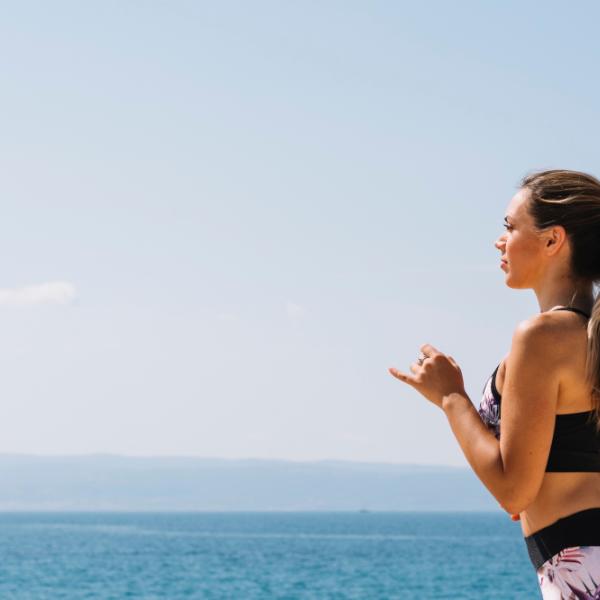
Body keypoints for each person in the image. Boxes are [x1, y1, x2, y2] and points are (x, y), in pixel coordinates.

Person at [389, 169, 600, 599]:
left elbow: (513, 491)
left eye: (509, 226)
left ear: (551, 240)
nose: (498, 240)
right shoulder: (588, 335)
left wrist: (451, 396)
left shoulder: (541, 337)